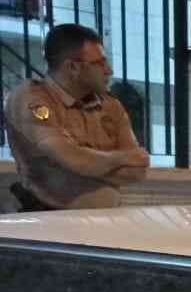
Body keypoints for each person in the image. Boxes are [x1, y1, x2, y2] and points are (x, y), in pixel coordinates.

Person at [4, 23, 149, 212]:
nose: (109, 70)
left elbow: (137, 170)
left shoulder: (110, 105)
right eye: (99, 63)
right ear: (72, 67)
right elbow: (72, 157)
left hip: (105, 222)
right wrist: (121, 158)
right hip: (46, 221)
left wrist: (74, 166)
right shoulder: (32, 98)